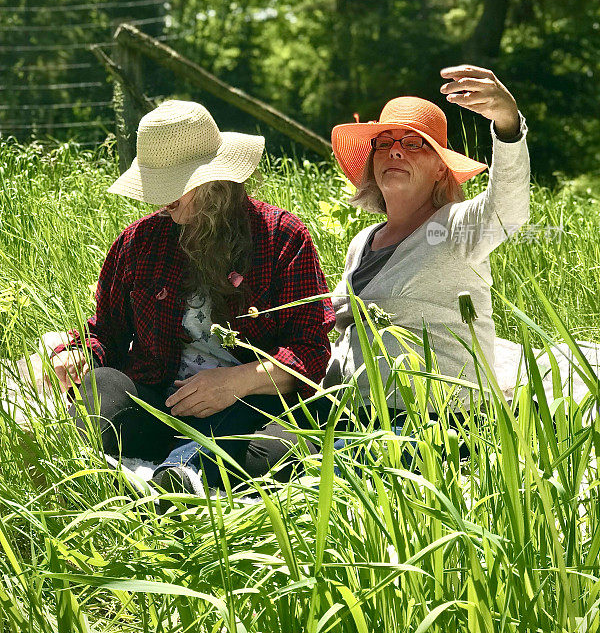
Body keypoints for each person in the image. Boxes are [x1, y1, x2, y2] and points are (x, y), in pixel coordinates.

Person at [49, 98, 335, 494]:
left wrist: (235, 382)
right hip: (160, 406)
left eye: (175, 182)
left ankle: (178, 478)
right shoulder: (138, 243)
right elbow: (105, 335)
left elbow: (310, 353)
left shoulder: (281, 236)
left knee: (284, 444)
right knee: (102, 389)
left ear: (215, 179)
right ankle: (150, 476)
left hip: (251, 409)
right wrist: (80, 353)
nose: (160, 198)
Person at [323, 64, 530, 417]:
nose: (395, 151)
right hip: (349, 415)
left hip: (439, 425)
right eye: (385, 143)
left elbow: (508, 210)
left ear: (440, 169)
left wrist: (508, 126)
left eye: (414, 143)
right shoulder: (361, 242)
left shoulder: (454, 226)